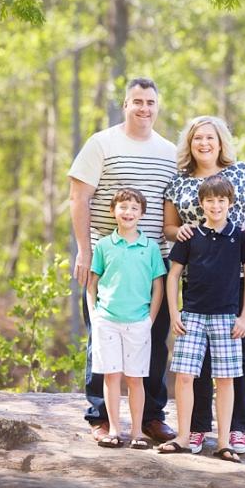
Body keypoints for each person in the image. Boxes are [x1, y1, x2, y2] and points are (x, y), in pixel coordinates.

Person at [68, 77, 177, 443]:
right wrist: (84, 249)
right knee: (102, 340)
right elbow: (78, 198)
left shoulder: (169, 152)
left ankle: (150, 418)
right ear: (124, 105)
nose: (143, 108)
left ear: (157, 107)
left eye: (150, 102)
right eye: (137, 102)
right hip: (107, 260)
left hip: (154, 262)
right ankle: (101, 417)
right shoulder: (102, 143)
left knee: (154, 341)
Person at [163, 116, 245, 455]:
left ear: (221, 141)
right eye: (198, 138)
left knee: (239, 351)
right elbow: (170, 226)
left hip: (243, 275)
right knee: (197, 358)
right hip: (198, 278)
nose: (204, 143)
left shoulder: (243, 172)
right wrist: (178, 233)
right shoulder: (179, 183)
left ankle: (237, 429)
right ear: (190, 143)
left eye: (210, 137)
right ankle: (196, 428)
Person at [158, 175, 245, 462]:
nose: (216, 205)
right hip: (192, 316)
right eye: (210, 200)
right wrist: (175, 312)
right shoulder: (190, 236)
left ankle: (224, 442)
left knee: (225, 380)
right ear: (201, 203)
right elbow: (174, 275)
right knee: (185, 377)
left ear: (230, 203)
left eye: (221, 200)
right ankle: (182, 436)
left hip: (226, 319)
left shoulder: (240, 237)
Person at [87, 188, 166, 449]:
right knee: (111, 376)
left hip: (138, 322)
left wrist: (150, 319)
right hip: (107, 320)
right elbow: (92, 284)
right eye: (123, 207)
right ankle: (114, 430)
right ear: (113, 211)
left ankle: (137, 433)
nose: (128, 212)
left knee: (135, 378)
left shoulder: (151, 247)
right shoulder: (104, 245)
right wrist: (95, 315)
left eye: (134, 208)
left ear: (142, 213)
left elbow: (158, 287)